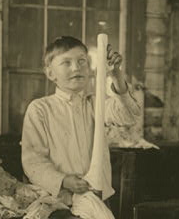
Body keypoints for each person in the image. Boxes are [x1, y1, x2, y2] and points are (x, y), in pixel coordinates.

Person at [21, 36, 140, 205]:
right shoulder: (40, 109)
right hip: (58, 201)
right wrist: (63, 180)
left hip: (96, 197)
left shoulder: (96, 104)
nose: (76, 68)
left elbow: (129, 115)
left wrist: (116, 75)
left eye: (82, 61)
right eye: (66, 63)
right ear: (50, 73)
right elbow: (33, 161)